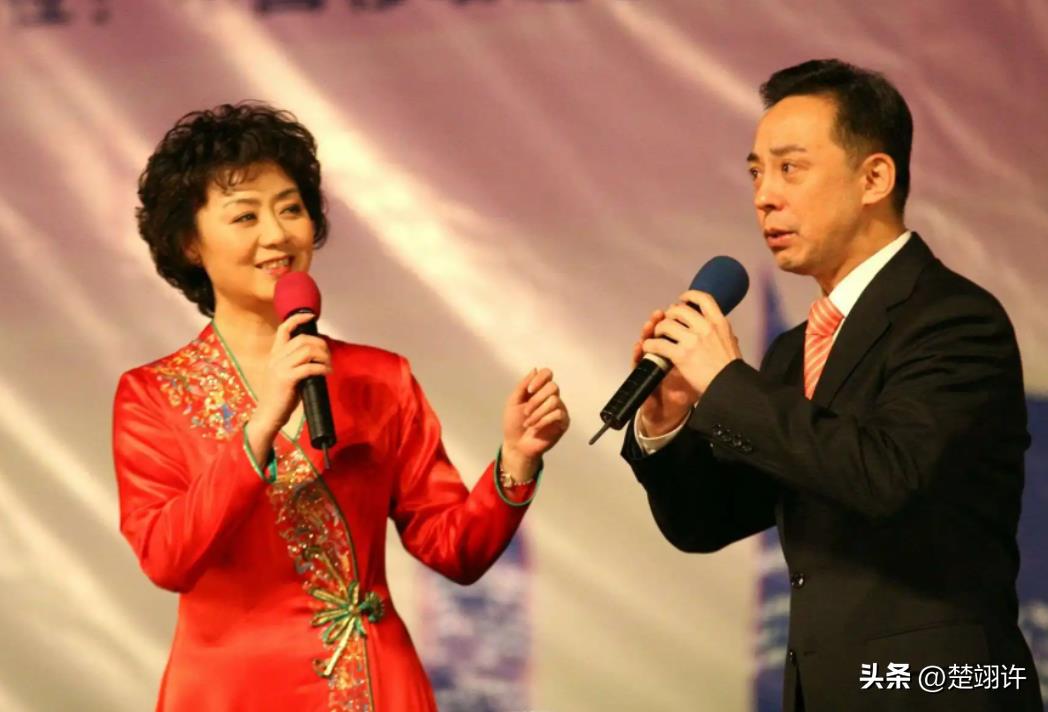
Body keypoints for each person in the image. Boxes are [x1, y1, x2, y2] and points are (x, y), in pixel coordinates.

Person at [113, 102, 570, 711]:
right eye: (245, 215)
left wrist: (516, 459)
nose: (277, 234)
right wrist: (260, 425)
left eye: (290, 209)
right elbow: (167, 559)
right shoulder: (152, 395)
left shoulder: (379, 378)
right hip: (230, 691)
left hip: (375, 681)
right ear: (189, 244)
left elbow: (453, 550)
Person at [622, 59, 1041, 711]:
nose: (764, 196)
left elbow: (886, 476)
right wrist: (667, 419)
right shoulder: (797, 350)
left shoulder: (955, 319)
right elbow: (707, 521)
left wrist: (727, 383)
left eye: (790, 168)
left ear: (874, 177)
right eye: (756, 173)